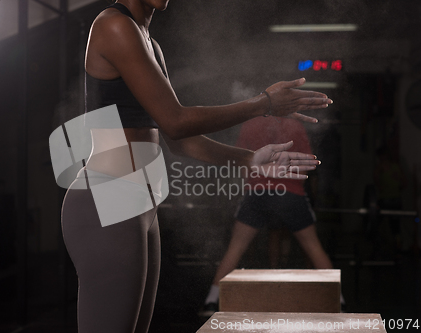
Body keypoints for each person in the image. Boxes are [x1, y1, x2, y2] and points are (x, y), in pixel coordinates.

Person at [60, 1, 332, 332]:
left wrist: (251, 159)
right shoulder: (114, 26)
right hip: (106, 197)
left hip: (138, 203)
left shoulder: (149, 42)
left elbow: (179, 139)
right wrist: (265, 104)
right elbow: (176, 122)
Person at [201, 116, 338, 315]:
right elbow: (308, 163)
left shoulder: (250, 124)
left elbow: (241, 162)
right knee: (312, 246)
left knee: (236, 247)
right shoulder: (296, 126)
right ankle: (339, 301)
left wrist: (253, 182)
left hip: (257, 191)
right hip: (290, 193)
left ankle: (211, 302)